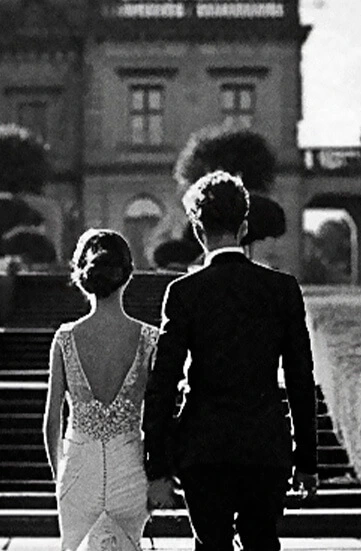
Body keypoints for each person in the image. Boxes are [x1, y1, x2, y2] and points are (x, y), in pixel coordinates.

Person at [142, 171, 319, 551]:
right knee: (262, 543)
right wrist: (307, 459)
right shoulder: (282, 289)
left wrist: (156, 465)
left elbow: (162, 382)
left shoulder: (183, 293)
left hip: (203, 448)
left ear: (198, 229)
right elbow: (301, 378)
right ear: (243, 227)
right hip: (265, 445)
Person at [44, 229, 159, 551]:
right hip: (131, 471)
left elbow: (53, 420)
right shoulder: (150, 339)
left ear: (83, 278)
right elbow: (158, 416)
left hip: (78, 473)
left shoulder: (65, 339)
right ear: (128, 275)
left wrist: (60, 478)